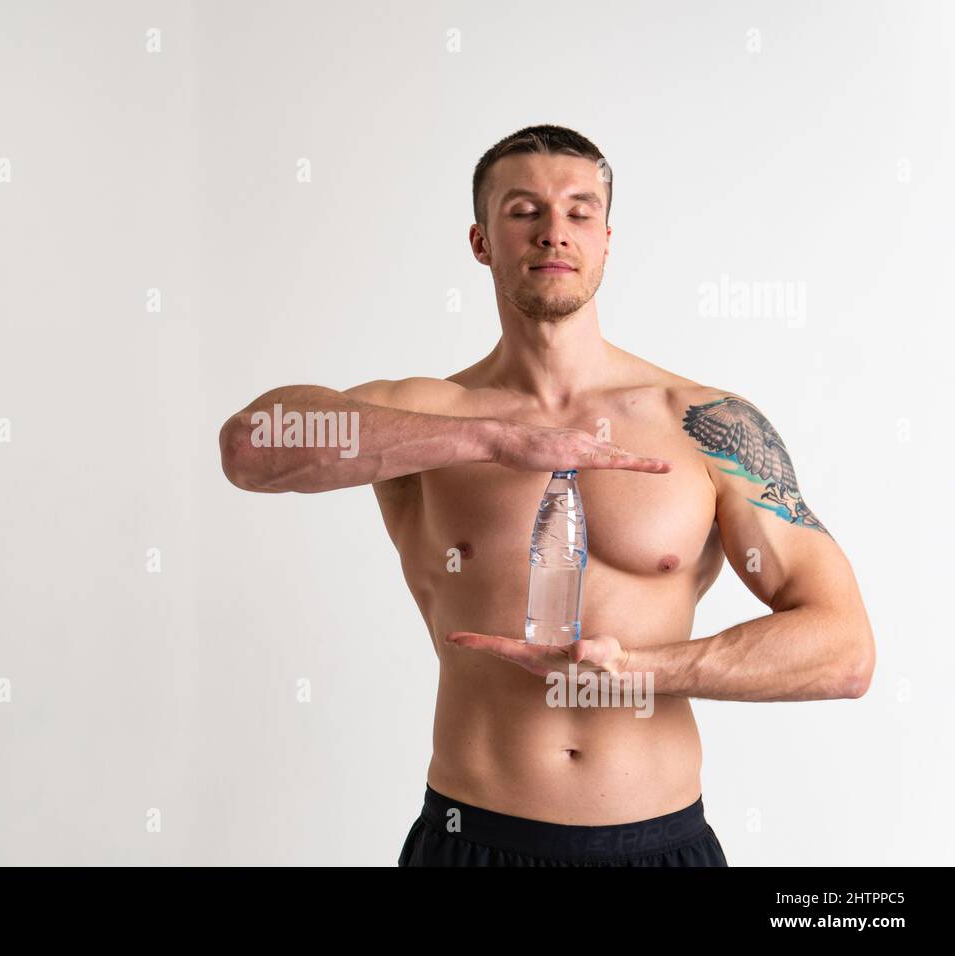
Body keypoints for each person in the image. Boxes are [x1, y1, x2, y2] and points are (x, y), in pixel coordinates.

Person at [217, 125, 875, 867]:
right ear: (481, 241)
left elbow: (844, 651)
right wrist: (492, 440)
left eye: (579, 211)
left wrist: (636, 672)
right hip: (474, 840)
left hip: (660, 843)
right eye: (524, 210)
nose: (554, 230)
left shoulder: (704, 423)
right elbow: (250, 447)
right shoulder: (425, 417)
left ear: (606, 240)